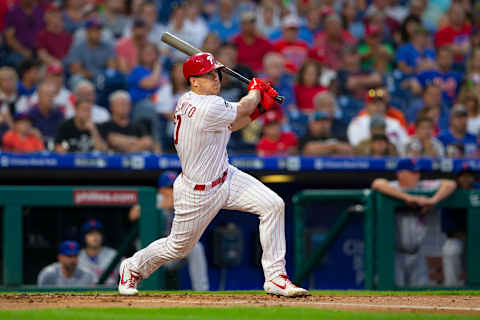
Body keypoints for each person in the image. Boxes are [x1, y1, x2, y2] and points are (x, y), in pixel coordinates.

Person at [118, 52, 309, 297]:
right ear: (193, 82)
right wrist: (255, 91)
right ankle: (132, 267)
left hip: (225, 175)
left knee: (273, 205)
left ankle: (276, 278)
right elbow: (242, 107)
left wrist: (259, 105)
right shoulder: (204, 105)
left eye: (215, 72)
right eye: (207, 75)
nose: (215, 78)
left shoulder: (199, 101)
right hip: (198, 191)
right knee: (177, 247)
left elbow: (231, 124)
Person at [372, 159, 457, 287]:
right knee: (391, 292)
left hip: (417, 253)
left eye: (418, 172)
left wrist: (434, 200)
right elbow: (377, 183)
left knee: (420, 292)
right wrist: (408, 198)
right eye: (412, 172)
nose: (417, 175)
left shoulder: (422, 186)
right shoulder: (393, 186)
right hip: (394, 253)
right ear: (400, 173)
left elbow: (450, 184)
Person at [129, 171, 210, 291]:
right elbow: (133, 214)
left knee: (196, 247)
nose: (173, 191)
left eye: (174, 187)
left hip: (170, 252)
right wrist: (158, 206)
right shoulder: (156, 199)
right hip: (150, 253)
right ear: (161, 190)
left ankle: (202, 291)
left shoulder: (183, 201)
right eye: (169, 188)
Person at [441, 163, 475, 287]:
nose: (466, 179)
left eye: (469, 176)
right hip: (457, 238)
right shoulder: (450, 193)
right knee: (451, 249)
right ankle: (452, 288)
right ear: (457, 178)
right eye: (462, 176)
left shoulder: (477, 190)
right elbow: (448, 228)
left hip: (476, 240)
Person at [66, 19, 116, 88]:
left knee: (114, 78)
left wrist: (102, 76)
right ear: (87, 32)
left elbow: (111, 67)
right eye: (94, 30)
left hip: (103, 78)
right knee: (76, 79)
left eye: (99, 30)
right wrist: (93, 75)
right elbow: (75, 69)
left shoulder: (107, 47)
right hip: (85, 78)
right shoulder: (77, 48)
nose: (97, 33)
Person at [78, 219, 118, 286]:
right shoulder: (77, 257)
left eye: (98, 233)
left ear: (102, 236)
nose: (95, 236)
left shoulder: (113, 254)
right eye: (90, 233)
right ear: (84, 237)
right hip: (85, 295)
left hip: (110, 294)